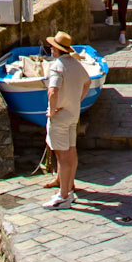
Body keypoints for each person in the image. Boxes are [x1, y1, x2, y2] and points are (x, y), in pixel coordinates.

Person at [44, 33, 87, 209]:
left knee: (62, 155)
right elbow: (87, 83)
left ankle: (63, 196)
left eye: (53, 46)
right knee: (71, 151)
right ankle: (68, 189)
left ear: (58, 50)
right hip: (73, 113)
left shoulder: (57, 67)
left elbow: (53, 91)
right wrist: (77, 100)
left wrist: (53, 110)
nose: (51, 48)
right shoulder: (77, 65)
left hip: (60, 116)